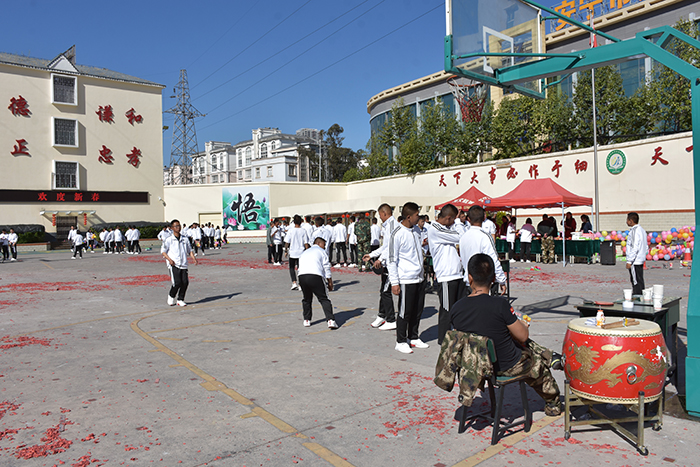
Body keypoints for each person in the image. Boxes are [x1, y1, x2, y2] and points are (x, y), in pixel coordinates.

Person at [450, 254, 562, 416]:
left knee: (514, 340)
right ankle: (553, 403)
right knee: (536, 363)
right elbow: (523, 336)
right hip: (505, 365)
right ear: (493, 279)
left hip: (474, 367)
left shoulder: (456, 308)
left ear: (470, 278)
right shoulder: (500, 305)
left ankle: (550, 356)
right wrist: (523, 325)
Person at [387, 202, 428, 354]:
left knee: (418, 309)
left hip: (419, 277)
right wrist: (394, 282)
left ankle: (413, 337)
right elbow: (392, 260)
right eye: (417, 215)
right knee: (405, 311)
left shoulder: (416, 230)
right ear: (409, 216)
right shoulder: (397, 233)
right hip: (406, 278)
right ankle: (401, 341)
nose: (419, 218)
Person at [426, 204, 465, 345]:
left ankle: (457, 336)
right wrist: (459, 222)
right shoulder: (435, 229)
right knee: (447, 310)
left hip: (457, 275)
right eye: (453, 219)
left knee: (459, 309)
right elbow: (461, 237)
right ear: (448, 218)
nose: (454, 222)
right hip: (446, 277)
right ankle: (443, 340)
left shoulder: (445, 228)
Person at [363, 204, 398, 330]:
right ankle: (382, 315)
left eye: (380, 215)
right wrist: (372, 255)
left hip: (392, 264)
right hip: (387, 263)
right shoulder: (387, 226)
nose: (380, 217)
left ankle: (391, 319)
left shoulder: (393, 226)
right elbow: (385, 246)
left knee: (386, 292)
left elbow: (391, 247)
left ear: (384, 213)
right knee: (383, 290)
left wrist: (380, 259)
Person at [459, 205, 507, 294]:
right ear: (483, 218)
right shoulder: (485, 236)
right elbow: (493, 259)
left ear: (468, 219)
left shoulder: (463, 237)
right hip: (482, 284)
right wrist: (502, 280)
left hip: (468, 281)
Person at [298, 237, 338, 329]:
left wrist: (300, 281)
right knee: (324, 298)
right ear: (319, 243)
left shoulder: (305, 252)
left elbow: (300, 266)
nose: (325, 247)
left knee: (307, 298)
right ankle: (331, 320)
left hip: (302, 276)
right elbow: (326, 267)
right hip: (315, 275)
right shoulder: (321, 251)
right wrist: (330, 282)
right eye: (324, 244)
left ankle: (307, 320)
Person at [161, 219, 198, 307]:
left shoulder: (185, 239)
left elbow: (189, 250)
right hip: (174, 264)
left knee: (185, 282)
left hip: (183, 264)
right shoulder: (169, 239)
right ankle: (171, 295)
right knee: (177, 283)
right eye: (176, 226)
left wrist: (194, 258)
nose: (178, 227)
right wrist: (169, 260)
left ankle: (180, 299)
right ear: (172, 228)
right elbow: (163, 251)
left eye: (179, 225)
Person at [285, 215, 310, 291]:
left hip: (292, 252)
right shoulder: (303, 231)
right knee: (300, 269)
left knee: (292, 268)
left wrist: (286, 250)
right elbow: (306, 243)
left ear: (294, 222)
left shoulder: (291, 231)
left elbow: (287, 242)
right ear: (301, 222)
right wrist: (307, 251)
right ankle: (300, 284)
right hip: (301, 252)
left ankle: (294, 282)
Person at [625, 212, 648, 295]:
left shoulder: (635, 231)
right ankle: (641, 295)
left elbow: (635, 247)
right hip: (640, 259)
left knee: (635, 281)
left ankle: (637, 296)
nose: (626, 222)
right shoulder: (642, 230)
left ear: (631, 221)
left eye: (627, 220)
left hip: (635, 261)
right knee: (639, 280)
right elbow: (645, 246)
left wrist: (629, 261)